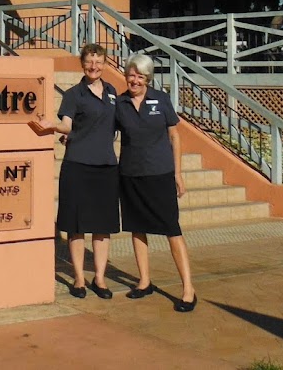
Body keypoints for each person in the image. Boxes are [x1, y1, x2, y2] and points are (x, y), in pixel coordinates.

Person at [116, 52, 197, 312]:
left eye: (140, 76)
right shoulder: (120, 103)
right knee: (137, 227)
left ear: (148, 78)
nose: (135, 80)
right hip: (130, 174)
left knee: (172, 229)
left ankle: (188, 289)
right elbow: (101, 130)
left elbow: (175, 137)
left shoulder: (160, 100)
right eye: (131, 75)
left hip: (160, 174)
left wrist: (178, 173)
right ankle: (144, 281)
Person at [43, 43, 120, 299]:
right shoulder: (74, 94)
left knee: (102, 226)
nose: (94, 66)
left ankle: (99, 278)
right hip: (77, 165)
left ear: (105, 64)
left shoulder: (112, 93)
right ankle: (78, 278)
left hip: (106, 167)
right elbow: (67, 125)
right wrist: (51, 127)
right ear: (82, 64)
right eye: (89, 62)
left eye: (98, 62)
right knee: (76, 226)